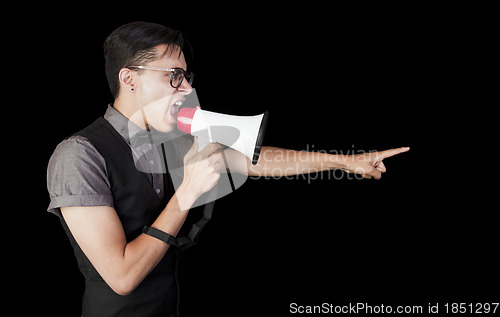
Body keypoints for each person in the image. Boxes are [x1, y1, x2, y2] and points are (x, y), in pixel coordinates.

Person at [46, 21, 409, 317]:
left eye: (187, 77)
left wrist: (346, 161)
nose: (186, 88)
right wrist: (187, 192)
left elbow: (255, 160)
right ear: (130, 79)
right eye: (174, 76)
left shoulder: (170, 140)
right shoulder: (79, 155)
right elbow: (122, 277)